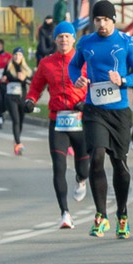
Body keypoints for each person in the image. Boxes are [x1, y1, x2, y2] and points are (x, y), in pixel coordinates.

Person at [68, 0, 133, 239]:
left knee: (119, 164)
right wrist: (77, 80)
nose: (101, 24)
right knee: (97, 156)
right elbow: (74, 67)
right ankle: (100, 215)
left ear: (113, 20)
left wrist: (123, 80)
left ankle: (122, 215)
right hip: (94, 111)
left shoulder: (127, 42)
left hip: (119, 112)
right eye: (98, 20)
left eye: (105, 20)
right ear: (93, 21)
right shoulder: (86, 43)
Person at [24, 21, 89, 229]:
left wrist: (84, 103)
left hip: (79, 119)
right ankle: (65, 213)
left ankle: (81, 179)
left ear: (73, 39)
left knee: (84, 165)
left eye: (67, 36)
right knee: (59, 167)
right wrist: (31, 100)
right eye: (60, 36)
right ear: (55, 39)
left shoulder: (84, 62)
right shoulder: (46, 63)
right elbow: (36, 87)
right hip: (57, 120)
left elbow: (94, 86)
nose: (63, 39)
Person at [3, 47, 32, 155]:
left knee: (20, 120)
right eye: (15, 54)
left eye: (19, 55)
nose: (17, 57)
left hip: (22, 98)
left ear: (22, 57)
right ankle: (18, 143)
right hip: (10, 97)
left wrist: (24, 79)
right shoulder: (9, 67)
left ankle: (16, 140)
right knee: (16, 120)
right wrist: (4, 80)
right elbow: (4, 79)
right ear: (13, 56)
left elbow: (31, 81)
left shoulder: (25, 69)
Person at [0, 39, 10, 130]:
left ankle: (2, 113)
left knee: (4, 100)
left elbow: (11, 68)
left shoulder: (7, 56)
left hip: (5, 83)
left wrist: (6, 76)